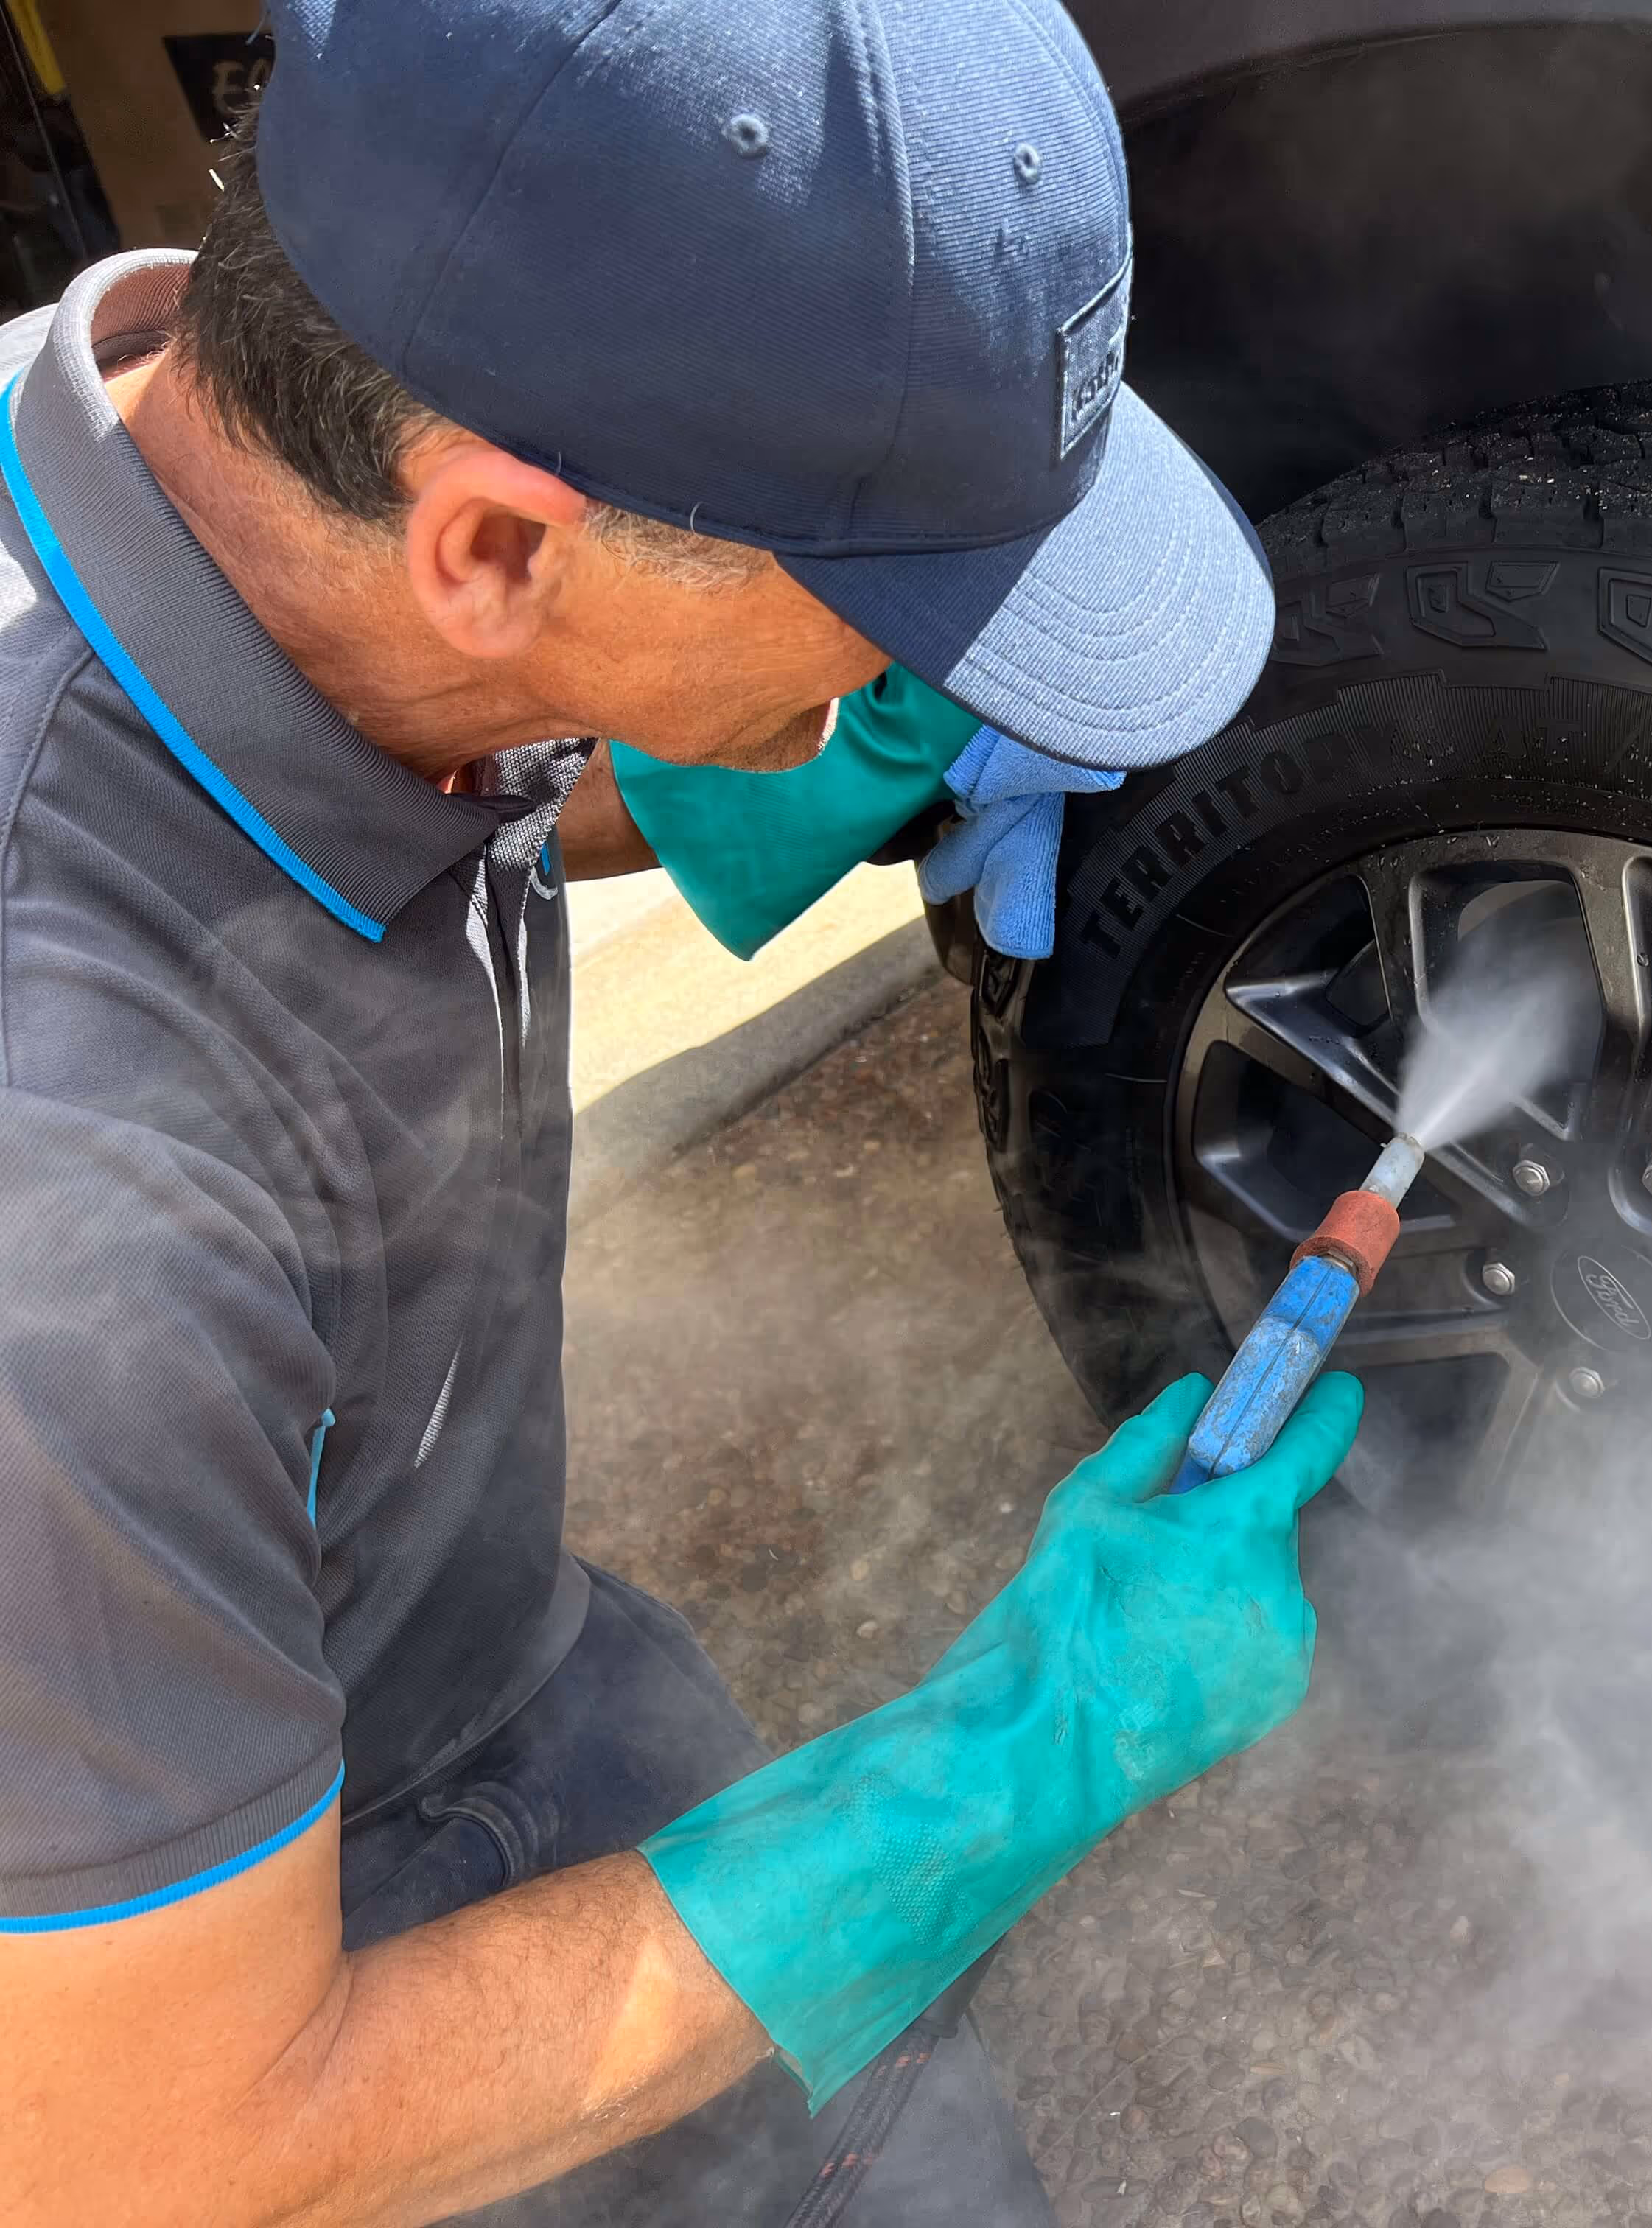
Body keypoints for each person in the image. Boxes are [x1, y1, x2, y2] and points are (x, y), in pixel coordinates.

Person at [0, 1, 1363, 2222]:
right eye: (895, 607)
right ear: (500, 555)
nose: (948, 667)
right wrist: (1019, 1752)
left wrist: (808, 748)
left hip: (470, 1693)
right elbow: (158, 2155)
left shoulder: (233, 479)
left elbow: (406, 736)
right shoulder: (73, 1213)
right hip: (222, 1992)